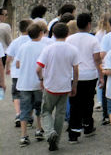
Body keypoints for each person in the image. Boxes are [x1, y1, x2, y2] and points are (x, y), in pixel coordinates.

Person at [36, 22, 80, 151]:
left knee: (46, 111)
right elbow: (76, 70)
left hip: (50, 85)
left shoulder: (48, 49)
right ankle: (56, 140)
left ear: (53, 34)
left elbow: (38, 68)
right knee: (60, 114)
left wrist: (41, 79)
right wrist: (74, 85)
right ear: (67, 34)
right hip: (65, 86)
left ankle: (50, 132)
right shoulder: (73, 49)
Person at [65, 13, 102, 142]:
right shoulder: (93, 39)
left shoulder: (69, 39)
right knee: (88, 101)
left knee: (74, 103)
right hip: (90, 75)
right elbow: (97, 59)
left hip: (73, 75)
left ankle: (73, 132)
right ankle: (87, 125)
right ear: (88, 24)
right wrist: (101, 76)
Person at [14, 22, 48, 146]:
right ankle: (39, 129)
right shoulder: (44, 47)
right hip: (38, 82)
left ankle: (24, 135)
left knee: (25, 109)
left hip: (24, 83)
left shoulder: (23, 47)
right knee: (39, 107)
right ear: (41, 33)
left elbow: (17, 64)